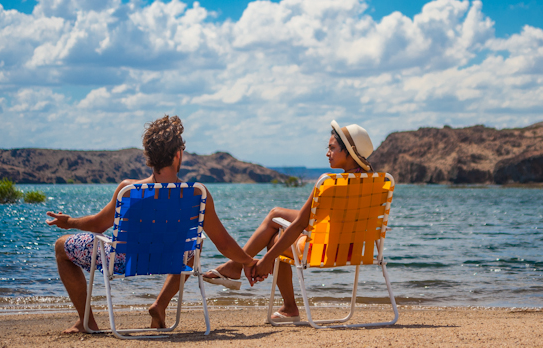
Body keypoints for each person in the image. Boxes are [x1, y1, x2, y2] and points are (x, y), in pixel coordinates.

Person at [46, 115, 256, 334]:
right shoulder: (197, 193)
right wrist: (248, 261)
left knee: (62, 246)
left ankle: (87, 321)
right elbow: (223, 243)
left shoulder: (128, 190)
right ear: (178, 155)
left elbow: (98, 225)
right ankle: (160, 304)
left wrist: (69, 222)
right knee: (193, 244)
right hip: (174, 259)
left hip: (126, 261)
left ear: (149, 157)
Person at [200, 120, 375, 322]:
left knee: (276, 237)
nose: (327, 153)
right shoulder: (376, 183)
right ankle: (236, 266)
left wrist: (266, 261)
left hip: (324, 251)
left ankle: (286, 304)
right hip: (355, 249)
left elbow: (300, 224)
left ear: (350, 152)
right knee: (276, 215)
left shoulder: (330, 185)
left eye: (332, 148)